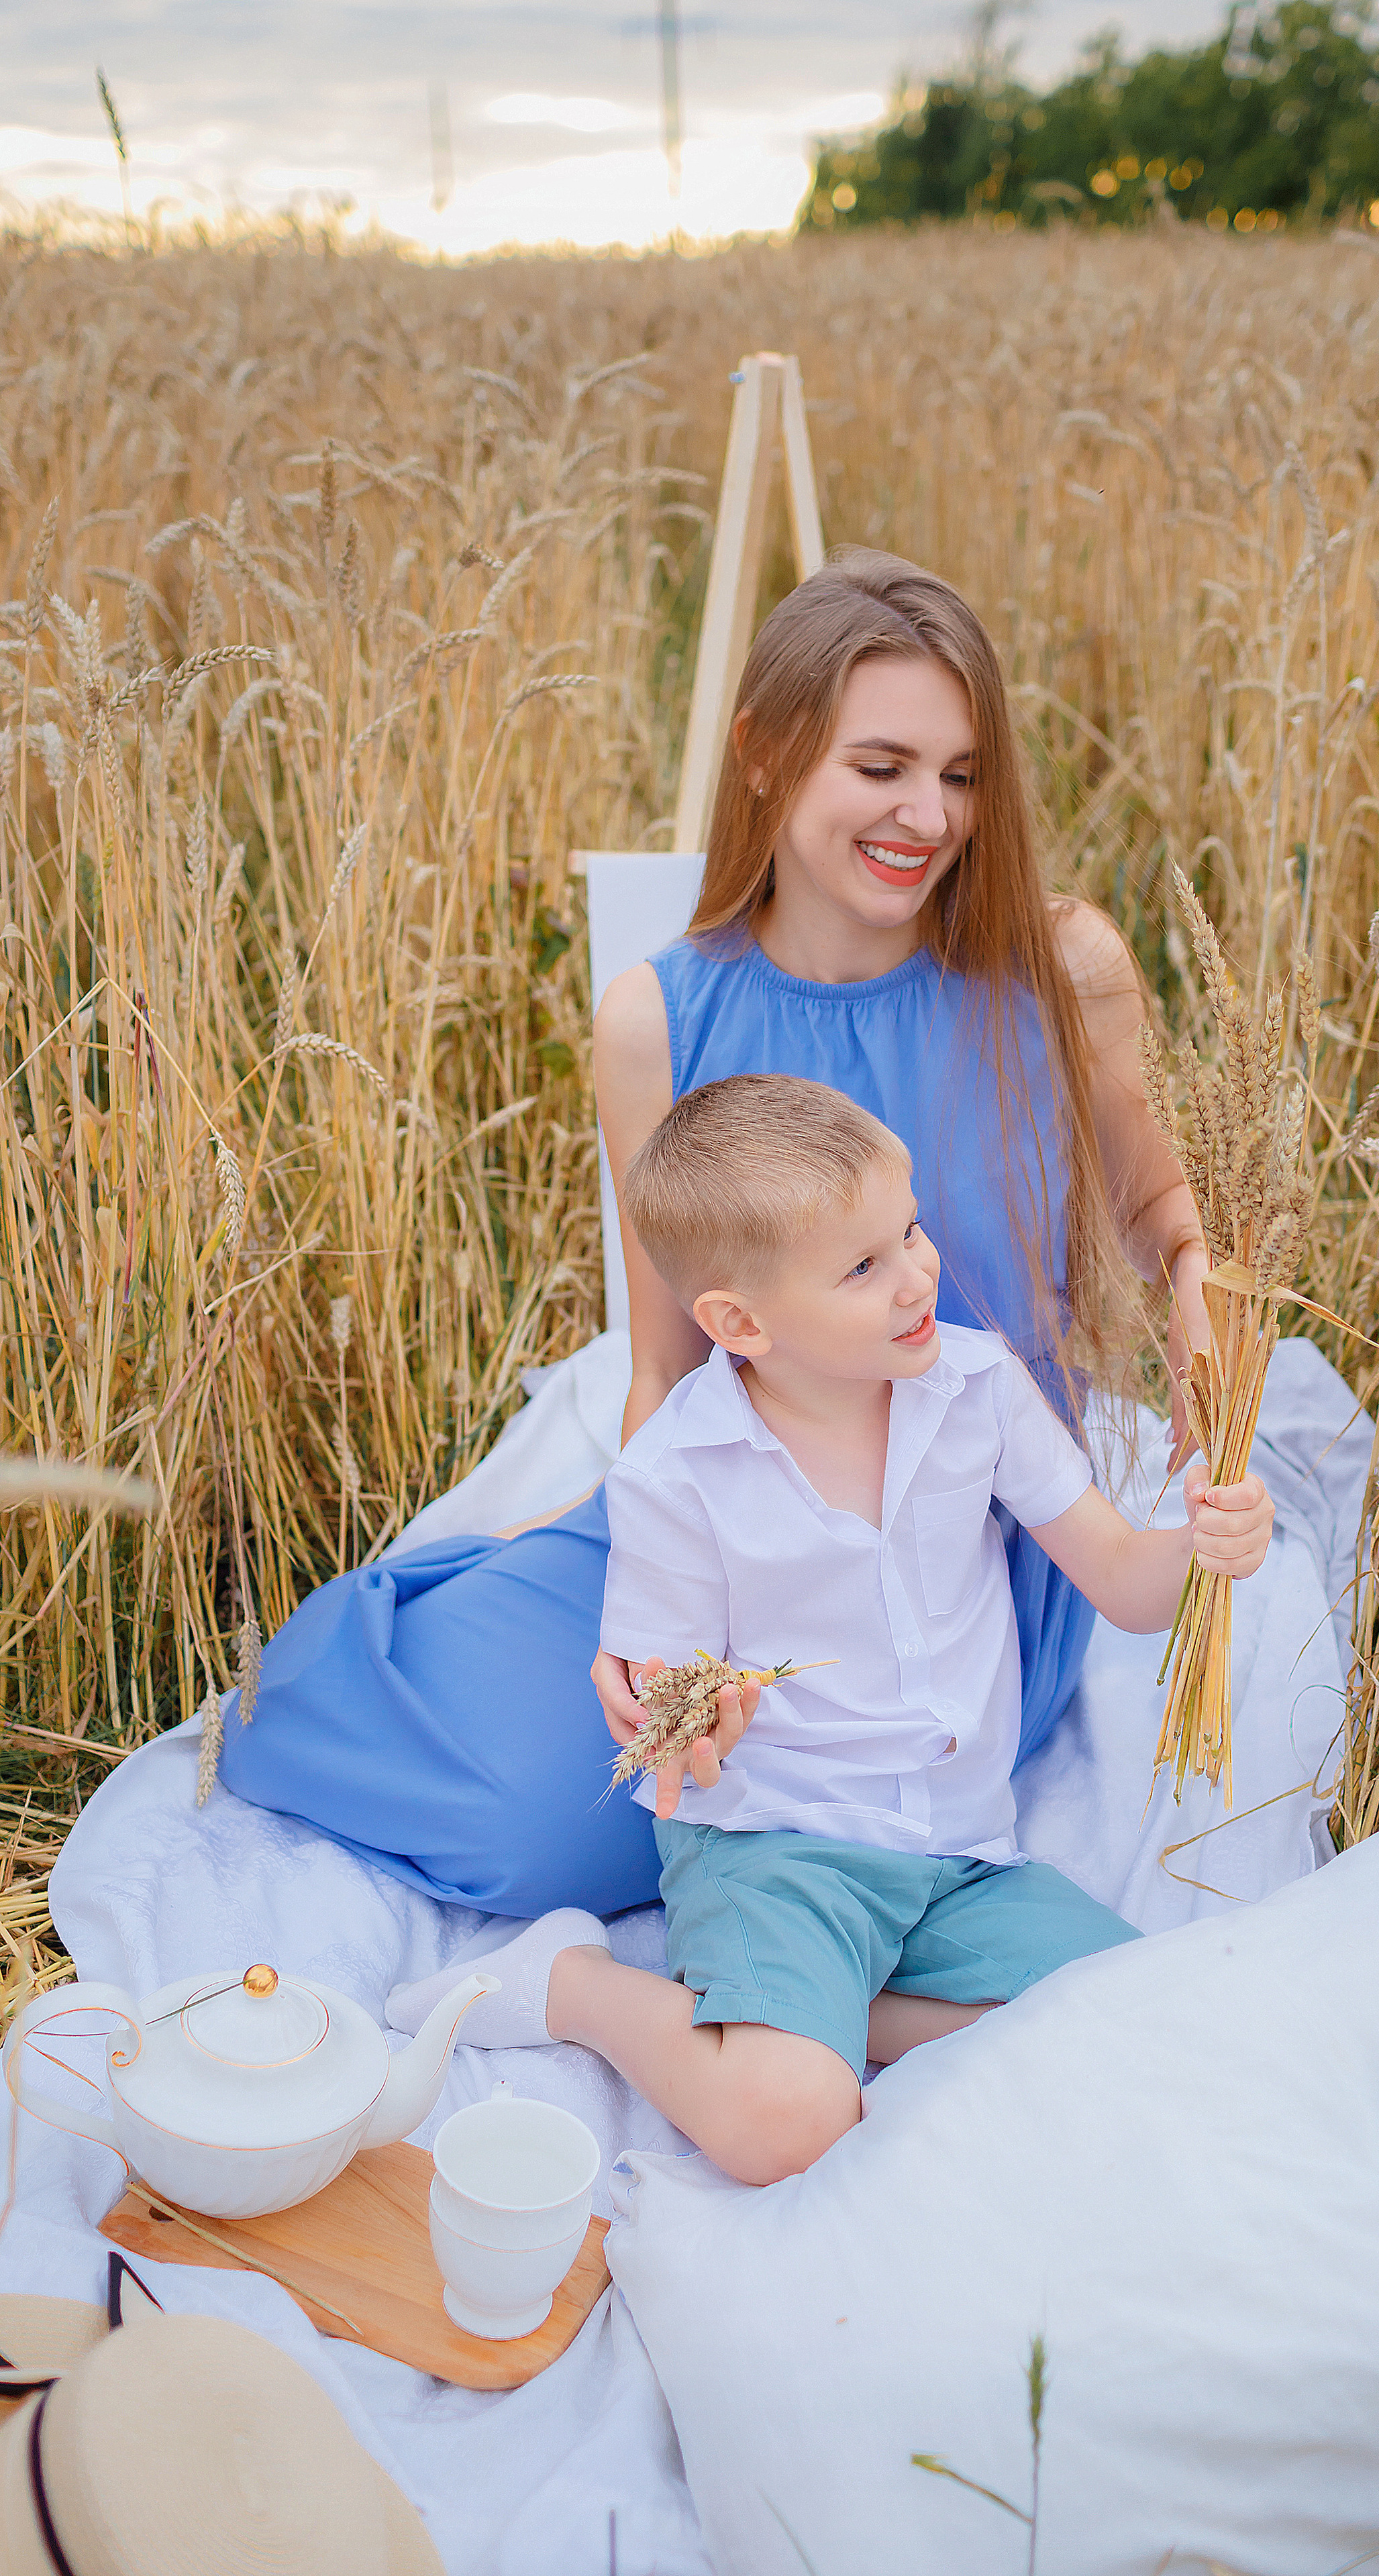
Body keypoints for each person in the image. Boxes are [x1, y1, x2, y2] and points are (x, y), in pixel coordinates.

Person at [220, 549, 1212, 1919]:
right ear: (762, 751)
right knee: (526, 1811)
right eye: (880, 767)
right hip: (734, 1511)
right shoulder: (658, 1020)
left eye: (961, 773)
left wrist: (1199, 1286)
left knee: (754, 1824)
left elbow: (1159, 1210)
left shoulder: (1056, 975)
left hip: (963, 1545)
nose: (927, 815)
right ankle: (420, 1653)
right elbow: (669, 1360)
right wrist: (649, 1614)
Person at [388, 1077, 1272, 2184]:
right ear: (740, 1323)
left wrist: (1203, 1541)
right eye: (863, 1268)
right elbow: (669, 1740)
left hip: (957, 1852)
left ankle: (850, 2009)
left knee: (1143, 2014)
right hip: (778, 1846)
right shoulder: (678, 1471)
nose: (916, 1277)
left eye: (908, 1232)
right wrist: (701, 1720)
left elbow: (1128, 1589)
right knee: (786, 2122)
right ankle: (583, 1989)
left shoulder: (977, 1392)